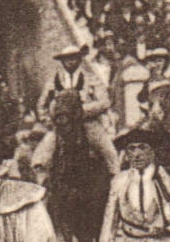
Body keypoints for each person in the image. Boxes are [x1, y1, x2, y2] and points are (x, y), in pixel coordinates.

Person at [33, 44, 120, 177]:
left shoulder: (91, 78)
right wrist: (49, 121)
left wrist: (83, 111)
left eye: (74, 58)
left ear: (79, 59)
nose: (70, 61)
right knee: (40, 158)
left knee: (110, 152)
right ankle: (44, 188)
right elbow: (41, 105)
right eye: (67, 58)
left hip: (87, 124)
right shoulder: (53, 81)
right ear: (62, 61)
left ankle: (116, 182)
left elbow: (104, 102)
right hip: (62, 126)